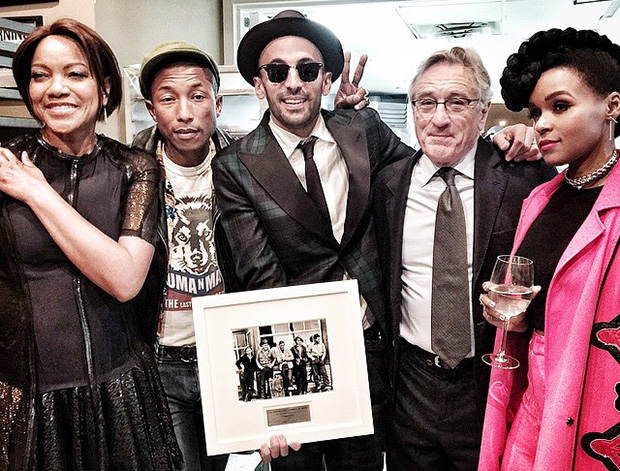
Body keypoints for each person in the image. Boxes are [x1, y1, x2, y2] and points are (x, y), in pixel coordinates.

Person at [213, 10, 542, 468]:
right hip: (299, 346)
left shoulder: (362, 130)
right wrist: (272, 397)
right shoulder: (235, 165)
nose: (293, 83)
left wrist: (508, 139)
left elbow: (437, 159)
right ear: (259, 83)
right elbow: (259, 279)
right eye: (277, 71)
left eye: (307, 71)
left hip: (380, 353)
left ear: (325, 80)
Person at [0, 19, 181, 470]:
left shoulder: (135, 169)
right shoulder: (5, 166)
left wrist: (37, 192)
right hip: (26, 401)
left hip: (120, 394)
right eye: (40, 76)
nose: (55, 88)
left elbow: (124, 279)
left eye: (74, 74)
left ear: (103, 89)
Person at [372, 46, 556, 471]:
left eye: (457, 102)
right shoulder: (388, 184)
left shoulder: (525, 176)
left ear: (481, 114)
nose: (439, 118)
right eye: (426, 102)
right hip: (410, 388)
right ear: (413, 110)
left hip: (492, 382)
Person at [478, 28, 620, 471]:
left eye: (560, 106)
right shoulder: (539, 199)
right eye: (536, 111)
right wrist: (516, 320)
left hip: (596, 406)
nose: (540, 123)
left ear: (612, 106)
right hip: (529, 401)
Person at [131, 40, 236, 471]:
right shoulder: (130, 172)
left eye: (197, 95)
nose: (185, 112)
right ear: (152, 110)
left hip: (224, 357)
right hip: (162, 361)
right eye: (168, 99)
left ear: (218, 102)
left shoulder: (245, 168)